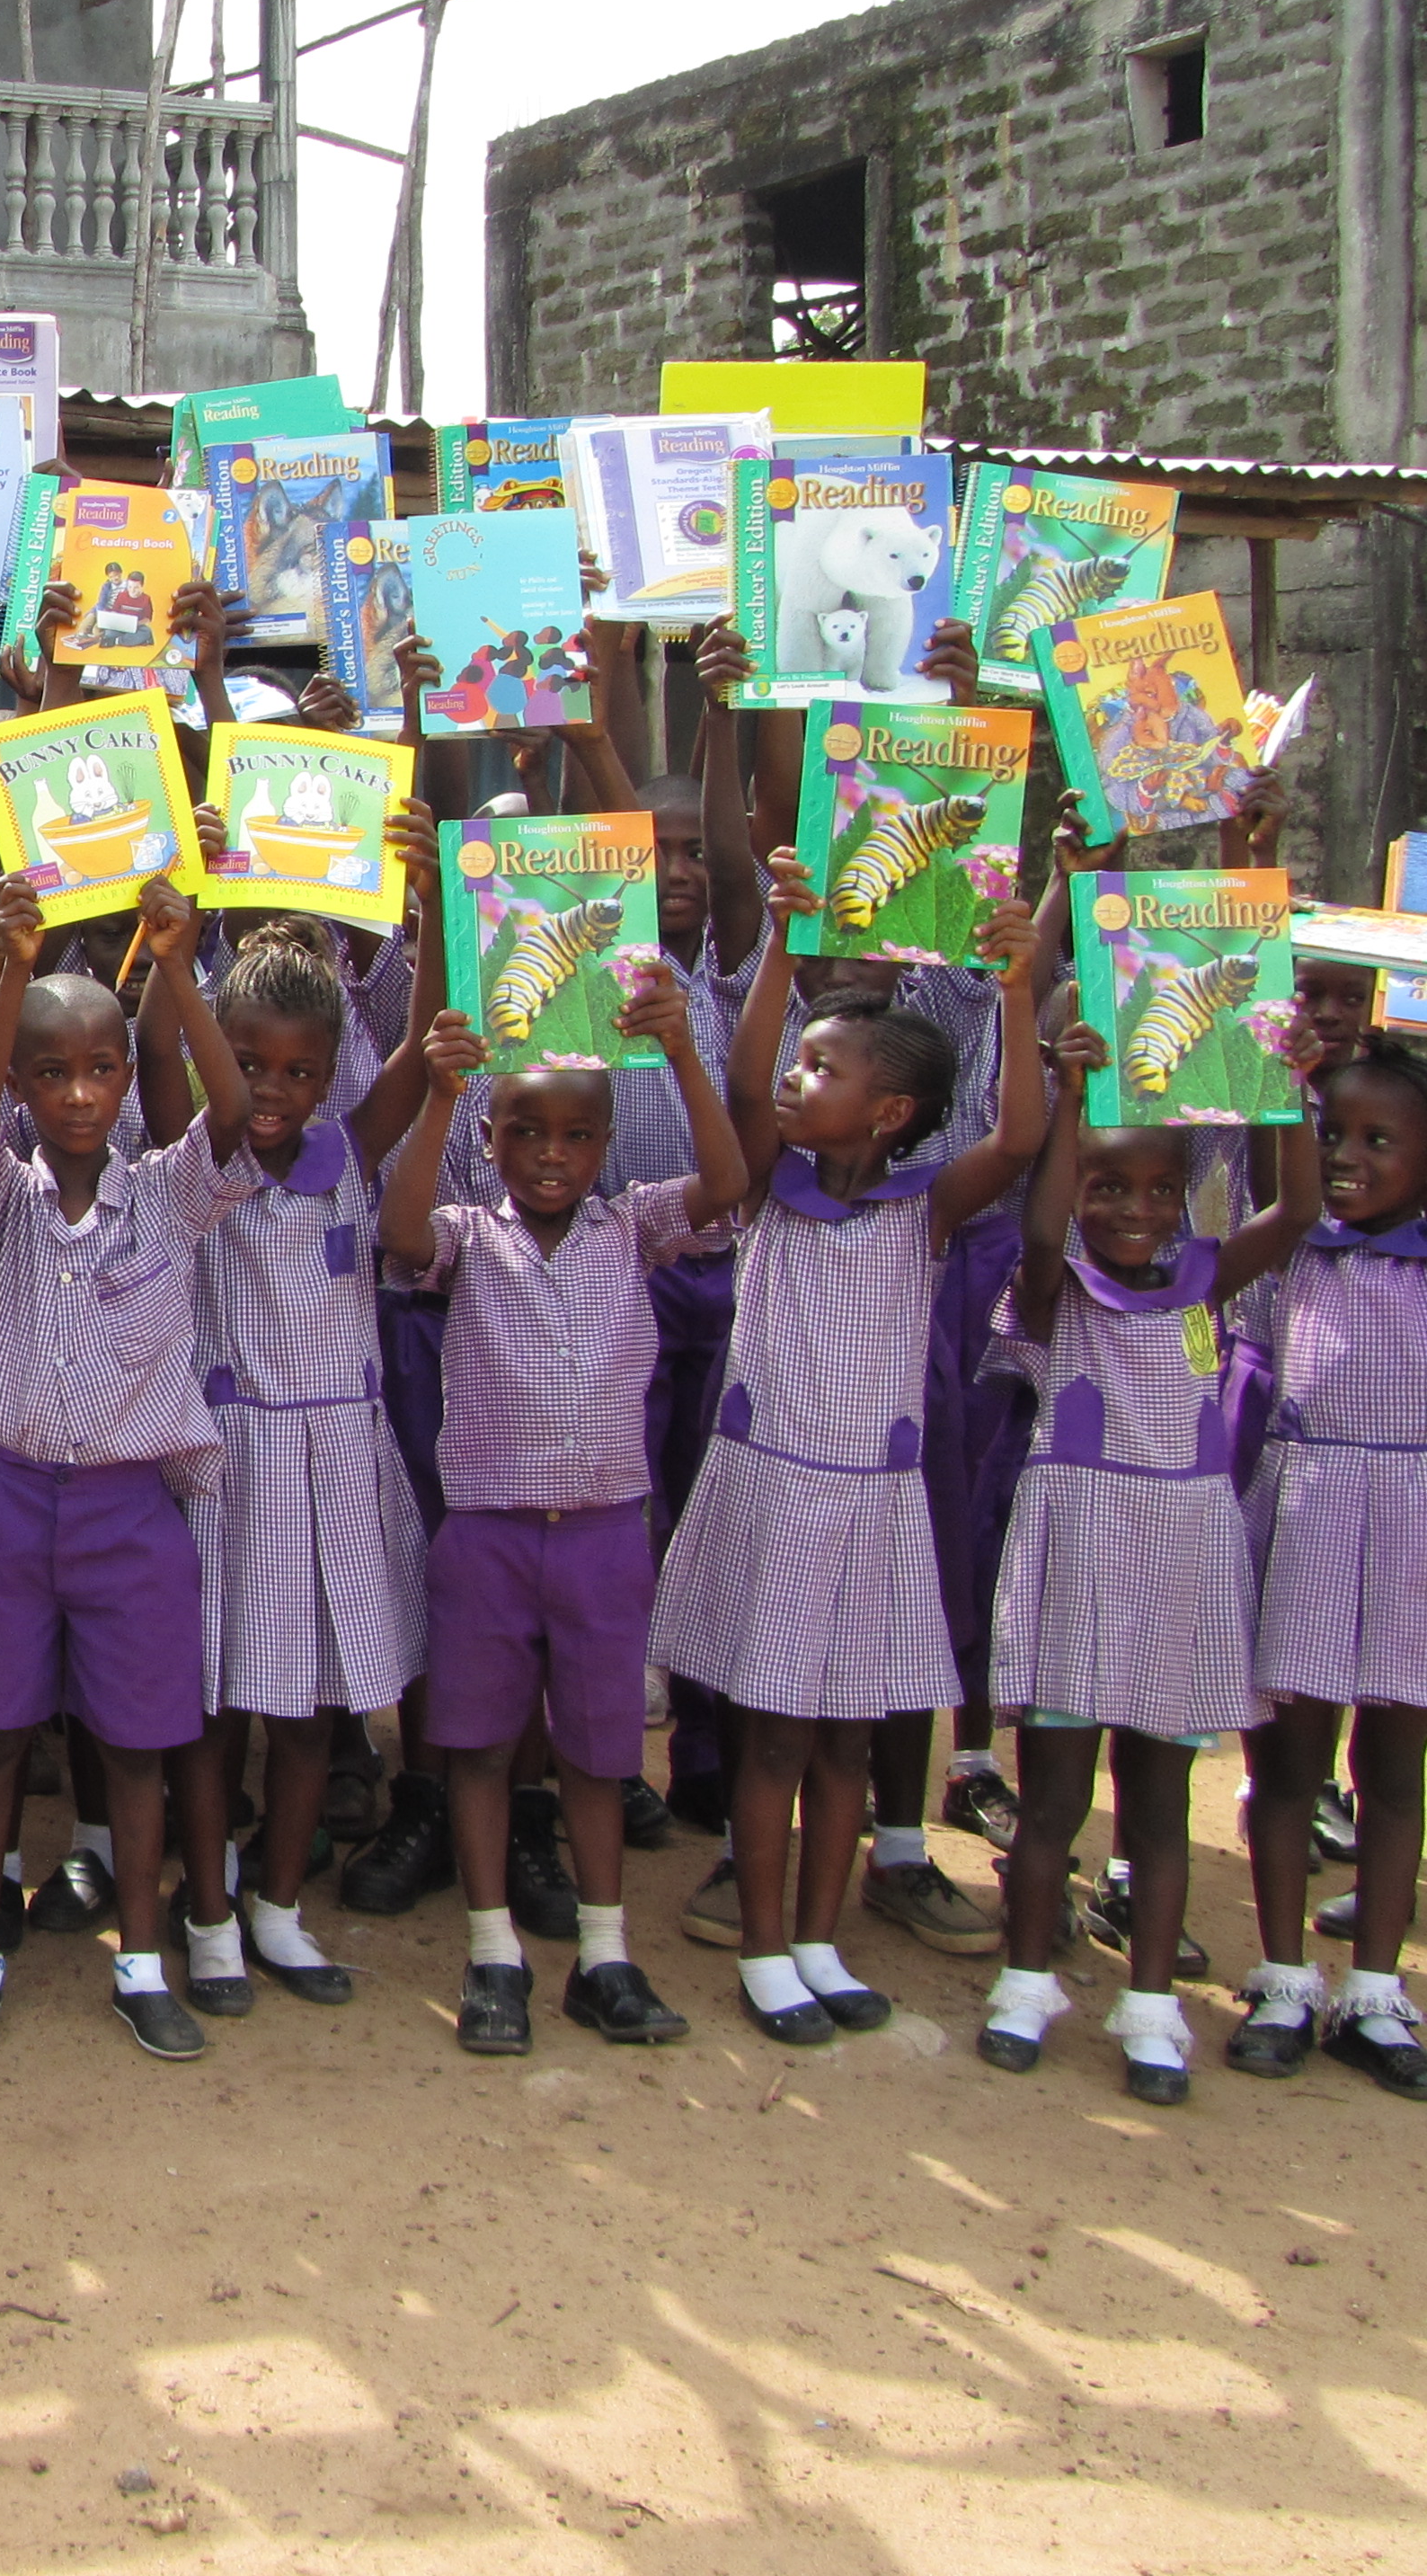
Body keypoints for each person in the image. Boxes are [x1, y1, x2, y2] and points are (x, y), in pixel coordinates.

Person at [651, 842, 1043, 2044]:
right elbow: (741, 1064)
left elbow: (1021, 1137)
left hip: (869, 1506)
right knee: (772, 1738)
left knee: (848, 1738)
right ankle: (767, 1948)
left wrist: (1020, 989)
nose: (793, 1079)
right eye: (799, 1059)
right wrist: (780, 934)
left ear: (889, 1111)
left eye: (822, 1068)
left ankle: (822, 1939)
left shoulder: (920, 1207)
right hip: (774, 1496)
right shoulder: (771, 1184)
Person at [383, 965, 742, 2054]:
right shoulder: (465, 1238)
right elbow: (398, 1232)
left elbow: (727, 1184)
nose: (551, 1155)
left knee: (599, 1757)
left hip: (601, 1539)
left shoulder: (633, 1228)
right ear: (488, 1140)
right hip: (486, 1536)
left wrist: (682, 1051)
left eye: (576, 1137)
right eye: (525, 1132)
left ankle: (603, 1953)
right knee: (481, 1750)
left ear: (604, 1146)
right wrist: (439, 1092)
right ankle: (493, 1951)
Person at [978, 1007, 1323, 2100]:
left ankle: (1151, 2008)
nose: (1133, 1209)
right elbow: (1036, 1238)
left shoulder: (1208, 1281)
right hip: (1079, 1563)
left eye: (1159, 1191)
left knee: (1160, 1803)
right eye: (1106, 1188)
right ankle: (1026, 1983)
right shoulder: (1058, 1289)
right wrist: (1073, 1104)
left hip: (1180, 1566)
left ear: (1186, 1198)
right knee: (1052, 1801)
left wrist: (1293, 1083)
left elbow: (1301, 1207)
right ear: (1079, 1193)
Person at [0, 875, 249, 2056]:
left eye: (102, 1071)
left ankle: (146, 1962)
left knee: (137, 1746)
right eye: (51, 1074)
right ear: (19, 1086)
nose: (78, 1094)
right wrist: (10, 973)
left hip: (131, 1514)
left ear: (126, 1077)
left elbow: (229, 1108)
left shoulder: (169, 1195)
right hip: (11, 1504)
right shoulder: (0, 1199)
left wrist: (176, 963)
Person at [168, 880, 442, 2018]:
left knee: (313, 1709)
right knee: (221, 1705)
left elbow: (425, 1053)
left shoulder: (354, 1153)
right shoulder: (210, 1160)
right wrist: (175, 961)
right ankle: (211, 1909)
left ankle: (280, 1904)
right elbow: (218, 1095)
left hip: (340, 1466)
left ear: (331, 1077)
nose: (271, 1091)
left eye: (298, 1073)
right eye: (249, 1063)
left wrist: (431, 905)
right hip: (239, 1470)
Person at [1232, 1043, 1427, 2093]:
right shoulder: (1296, 1249)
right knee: (1290, 1766)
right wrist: (1277, 1086)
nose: (1347, 1156)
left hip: (1414, 1537)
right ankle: (1282, 1976)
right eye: (1331, 1135)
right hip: (1306, 1517)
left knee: (1395, 1774)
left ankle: (1375, 1991)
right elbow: (1284, 1191)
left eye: (1379, 1141)